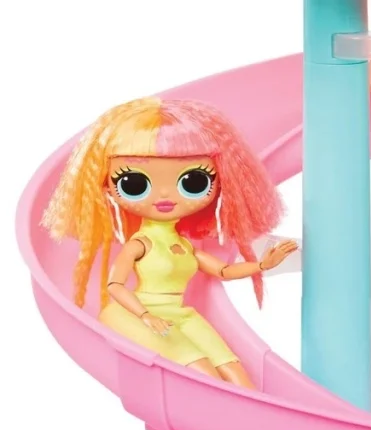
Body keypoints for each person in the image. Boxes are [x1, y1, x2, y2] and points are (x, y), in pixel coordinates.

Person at [44, 97, 297, 388]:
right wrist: (145, 315)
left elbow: (223, 271)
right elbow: (115, 286)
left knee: (236, 373)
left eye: (193, 182)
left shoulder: (186, 246)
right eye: (134, 184)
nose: (165, 196)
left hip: (182, 315)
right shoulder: (140, 243)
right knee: (206, 376)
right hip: (139, 313)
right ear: (108, 188)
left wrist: (263, 265)